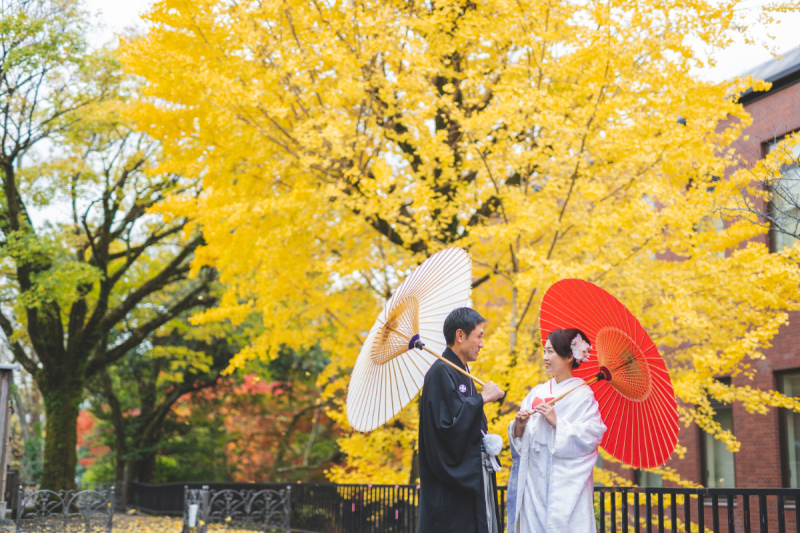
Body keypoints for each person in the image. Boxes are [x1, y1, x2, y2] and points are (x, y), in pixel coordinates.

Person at [506, 328, 606, 533]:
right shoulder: (538, 392)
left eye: (551, 352)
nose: (545, 357)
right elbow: (520, 438)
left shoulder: (583, 395)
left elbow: (592, 435)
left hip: (564, 485)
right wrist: (519, 426)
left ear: (569, 356)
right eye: (544, 351)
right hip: (533, 482)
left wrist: (557, 423)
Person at [417, 307, 506, 533]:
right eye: (479, 336)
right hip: (448, 490)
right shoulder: (439, 373)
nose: (482, 344)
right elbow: (447, 429)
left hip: (470, 481)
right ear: (460, 335)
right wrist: (480, 399)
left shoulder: (460, 372)